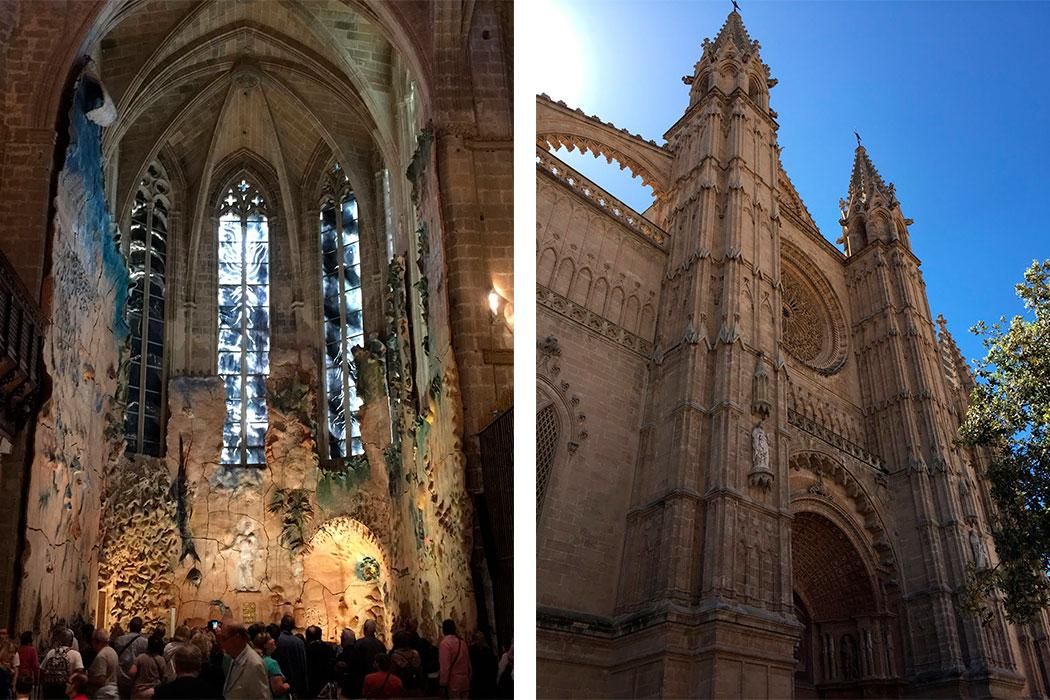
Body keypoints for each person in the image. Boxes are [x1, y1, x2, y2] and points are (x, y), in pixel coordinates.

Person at [218, 624, 269, 700]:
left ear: (237, 638)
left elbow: (261, 697)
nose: (222, 644)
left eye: (224, 639)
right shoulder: (235, 658)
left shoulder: (254, 664)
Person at [39, 629, 82, 700]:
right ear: (71, 642)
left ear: (60, 641)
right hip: (65, 689)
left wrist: (44, 684)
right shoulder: (76, 654)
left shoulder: (51, 652)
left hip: (50, 689)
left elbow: (42, 669)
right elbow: (79, 672)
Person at [272, 615, 308, 698]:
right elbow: (303, 664)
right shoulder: (299, 642)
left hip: (282, 682)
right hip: (296, 684)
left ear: (281, 624)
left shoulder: (277, 641)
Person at [128, 633, 170, 699]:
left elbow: (132, 672)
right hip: (154, 693)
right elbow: (165, 677)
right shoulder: (161, 660)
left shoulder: (140, 657)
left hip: (139, 692)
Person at [114, 618, 147, 698]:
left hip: (121, 676)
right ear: (140, 628)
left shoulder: (119, 640)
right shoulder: (145, 642)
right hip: (136, 678)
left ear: (129, 626)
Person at [438, 620, 470, 700]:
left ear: (443, 630)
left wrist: (443, 683)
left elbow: (445, 666)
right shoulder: (462, 642)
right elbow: (468, 663)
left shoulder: (445, 644)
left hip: (453, 682)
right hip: (465, 680)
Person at [252, 633, 290, 700]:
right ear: (265, 645)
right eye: (270, 639)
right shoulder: (271, 663)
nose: (273, 640)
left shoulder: (257, 659)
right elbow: (278, 690)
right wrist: (287, 686)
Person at [86, 629, 119, 700]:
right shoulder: (112, 651)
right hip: (113, 691)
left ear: (96, 641)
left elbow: (101, 680)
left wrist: (87, 678)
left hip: (103, 694)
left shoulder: (101, 655)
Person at [305, 625, 336, 698]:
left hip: (311, 683)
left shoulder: (307, 649)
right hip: (325, 683)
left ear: (308, 637)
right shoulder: (328, 647)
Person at [390, 630, 424, 696]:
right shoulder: (415, 654)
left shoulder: (395, 656)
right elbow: (419, 669)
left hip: (400, 685)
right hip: (414, 685)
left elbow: (393, 672)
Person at [336, 628, 364, 699]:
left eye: (341, 638)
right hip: (358, 690)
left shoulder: (342, 656)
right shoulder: (361, 655)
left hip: (346, 691)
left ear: (343, 640)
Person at [467, 632, 496, 700]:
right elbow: (493, 666)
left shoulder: (471, 650)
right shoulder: (488, 650)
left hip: (477, 679)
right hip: (486, 679)